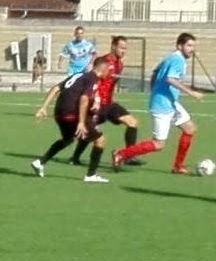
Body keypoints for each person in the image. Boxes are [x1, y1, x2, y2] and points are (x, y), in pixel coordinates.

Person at [115, 32, 206, 174]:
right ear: (179, 46)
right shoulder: (178, 60)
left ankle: (178, 166)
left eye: (193, 46)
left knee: (190, 128)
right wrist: (191, 92)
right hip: (162, 106)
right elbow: (170, 79)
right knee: (158, 144)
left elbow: (156, 72)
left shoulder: (172, 58)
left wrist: (155, 91)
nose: (192, 49)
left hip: (170, 102)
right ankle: (121, 154)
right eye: (189, 45)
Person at [31, 55, 112, 183]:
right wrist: (81, 122)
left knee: (68, 140)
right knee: (100, 140)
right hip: (71, 114)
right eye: (109, 70)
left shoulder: (78, 75)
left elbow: (56, 88)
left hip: (59, 113)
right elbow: (84, 99)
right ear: (104, 68)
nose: (109, 73)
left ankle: (40, 162)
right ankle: (91, 175)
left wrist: (43, 108)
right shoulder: (92, 78)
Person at [70, 35, 139, 166]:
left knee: (132, 122)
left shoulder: (120, 64)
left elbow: (112, 84)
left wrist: (113, 98)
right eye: (121, 48)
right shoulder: (103, 61)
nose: (123, 51)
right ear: (113, 46)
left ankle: (129, 156)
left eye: (125, 48)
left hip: (109, 104)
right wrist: (93, 100)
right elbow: (92, 81)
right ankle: (75, 157)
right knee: (90, 133)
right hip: (97, 105)